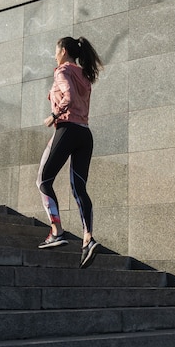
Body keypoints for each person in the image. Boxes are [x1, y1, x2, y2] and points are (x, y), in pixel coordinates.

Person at [36, 36, 103, 269]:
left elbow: (70, 98)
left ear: (63, 50)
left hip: (67, 129)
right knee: (79, 187)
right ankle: (88, 238)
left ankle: (56, 231)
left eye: (56, 50)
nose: (54, 54)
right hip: (85, 133)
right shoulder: (83, 74)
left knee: (43, 180)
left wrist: (54, 116)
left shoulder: (62, 71)